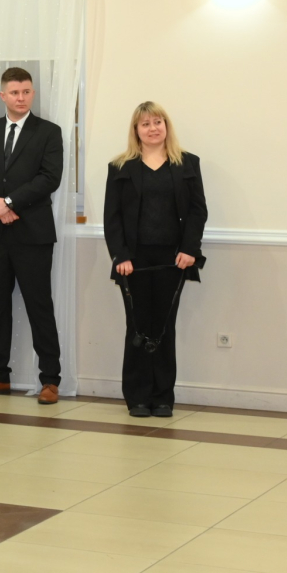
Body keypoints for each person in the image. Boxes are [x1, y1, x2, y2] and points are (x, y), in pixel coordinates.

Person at [0, 67, 64, 404]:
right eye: (15, 92)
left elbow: (49, 178)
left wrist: (8, 202)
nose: (21, 98)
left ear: (32, 93)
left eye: (27, 92)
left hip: (33, 234)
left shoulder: (49, 132)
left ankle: (50, 380)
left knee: (39, 306)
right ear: (3, 95)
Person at [104, 102, 206, 418]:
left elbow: (197, 211)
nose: (153, 128)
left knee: (164, 327)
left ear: (166, 126)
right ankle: (136, 397)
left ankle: (162, 397)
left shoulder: (187, 163)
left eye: (158, 122)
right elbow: (112, 216)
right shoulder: (120, 167)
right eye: (145, 124)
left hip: (174, 260)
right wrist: (121, 255)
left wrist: (189, 249)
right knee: (137, 327)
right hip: (133, 261)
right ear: (136, 130)